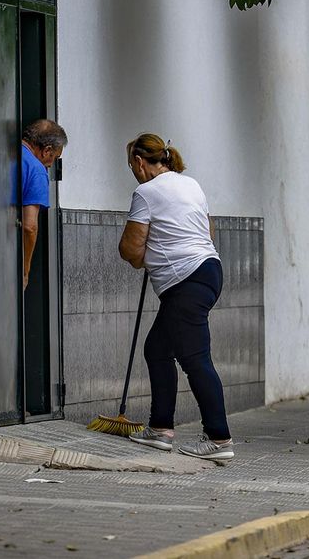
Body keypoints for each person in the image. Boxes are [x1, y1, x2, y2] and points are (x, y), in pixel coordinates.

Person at [119, 133, 233, 461]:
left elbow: (131, 250)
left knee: (196, 359)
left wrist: (149, 249)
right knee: (157, 348)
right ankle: (160, 429)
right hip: (208, 270)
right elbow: (206, 231)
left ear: (140, 162)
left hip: (185, 282)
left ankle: (219, 438)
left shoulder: (146, 192)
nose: (133, 172)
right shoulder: (191, 185)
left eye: (132, 165)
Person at [18, 119, 66, 289]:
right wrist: (25, 269)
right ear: (47, 150)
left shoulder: (4, 154)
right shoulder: (36, 170)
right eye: (55, 157)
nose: (52, 164)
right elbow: (29, 226)